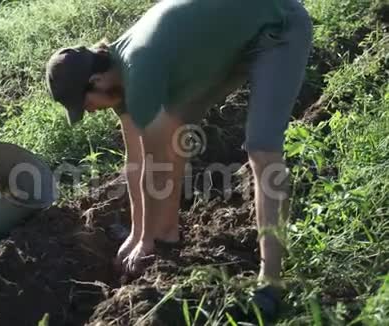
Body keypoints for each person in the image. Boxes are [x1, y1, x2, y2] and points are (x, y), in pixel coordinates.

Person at [45, 0, 312, 319]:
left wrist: (147, 241)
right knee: (174, 131)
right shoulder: (119, 78)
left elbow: (156, 167)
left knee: (261, 146)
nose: (88, 112)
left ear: (96, 81)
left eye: (84, 104)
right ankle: (169, 232)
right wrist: (136, 233)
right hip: (237, 40)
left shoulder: (138, 67)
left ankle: (271, 282)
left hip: (278, 27)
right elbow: (136, 162)